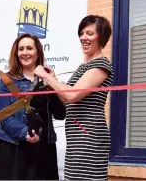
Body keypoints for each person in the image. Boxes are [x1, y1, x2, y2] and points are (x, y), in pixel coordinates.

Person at [34, 15, 114, 180]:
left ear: (102, 36)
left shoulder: (101, 65)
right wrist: (54, 82)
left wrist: (47, 77)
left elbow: (72, 95)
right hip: (76, 135)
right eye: (82, 33)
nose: (84, 37)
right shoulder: (83, 67)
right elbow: (65, 99)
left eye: (90, 33)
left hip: (89, 135)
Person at [0, 33, 65, 180]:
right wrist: (25, 133)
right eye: (21, 49)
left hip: (43, 151)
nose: (24, 52)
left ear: (38, 52)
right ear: (16, 53)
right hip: (13, 149)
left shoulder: (47, 78)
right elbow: (4, 116)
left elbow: (60, 114)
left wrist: (50, 83)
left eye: (29, 48)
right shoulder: (8, 80)